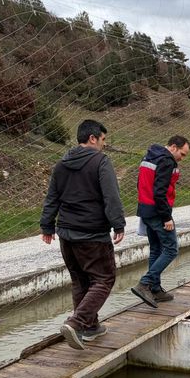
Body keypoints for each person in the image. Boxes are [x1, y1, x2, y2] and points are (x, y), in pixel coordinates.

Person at [40, 119, 126, 350]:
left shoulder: (61, 164)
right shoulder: (101, 162)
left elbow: (52, 198)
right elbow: (111, 197)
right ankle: (76, 323)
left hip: (66, 234)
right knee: (103, 278)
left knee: (80, 281)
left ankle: (90, 327)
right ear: (92, 138)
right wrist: (118, 224)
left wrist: (47, 226)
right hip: (92, 234)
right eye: (103, 139)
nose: (104, 145)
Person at [131, 135, 190, 307]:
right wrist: (166, 217)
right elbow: (160, 192)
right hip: (158, 211)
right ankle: (145, 283)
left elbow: (140, 184)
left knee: (156, 249)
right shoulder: (166, 160)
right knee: (171, 249)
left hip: (146, 209)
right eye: (182, 154)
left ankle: (155, 289)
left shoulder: (149, 157)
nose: (182, 158)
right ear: (173, 147)